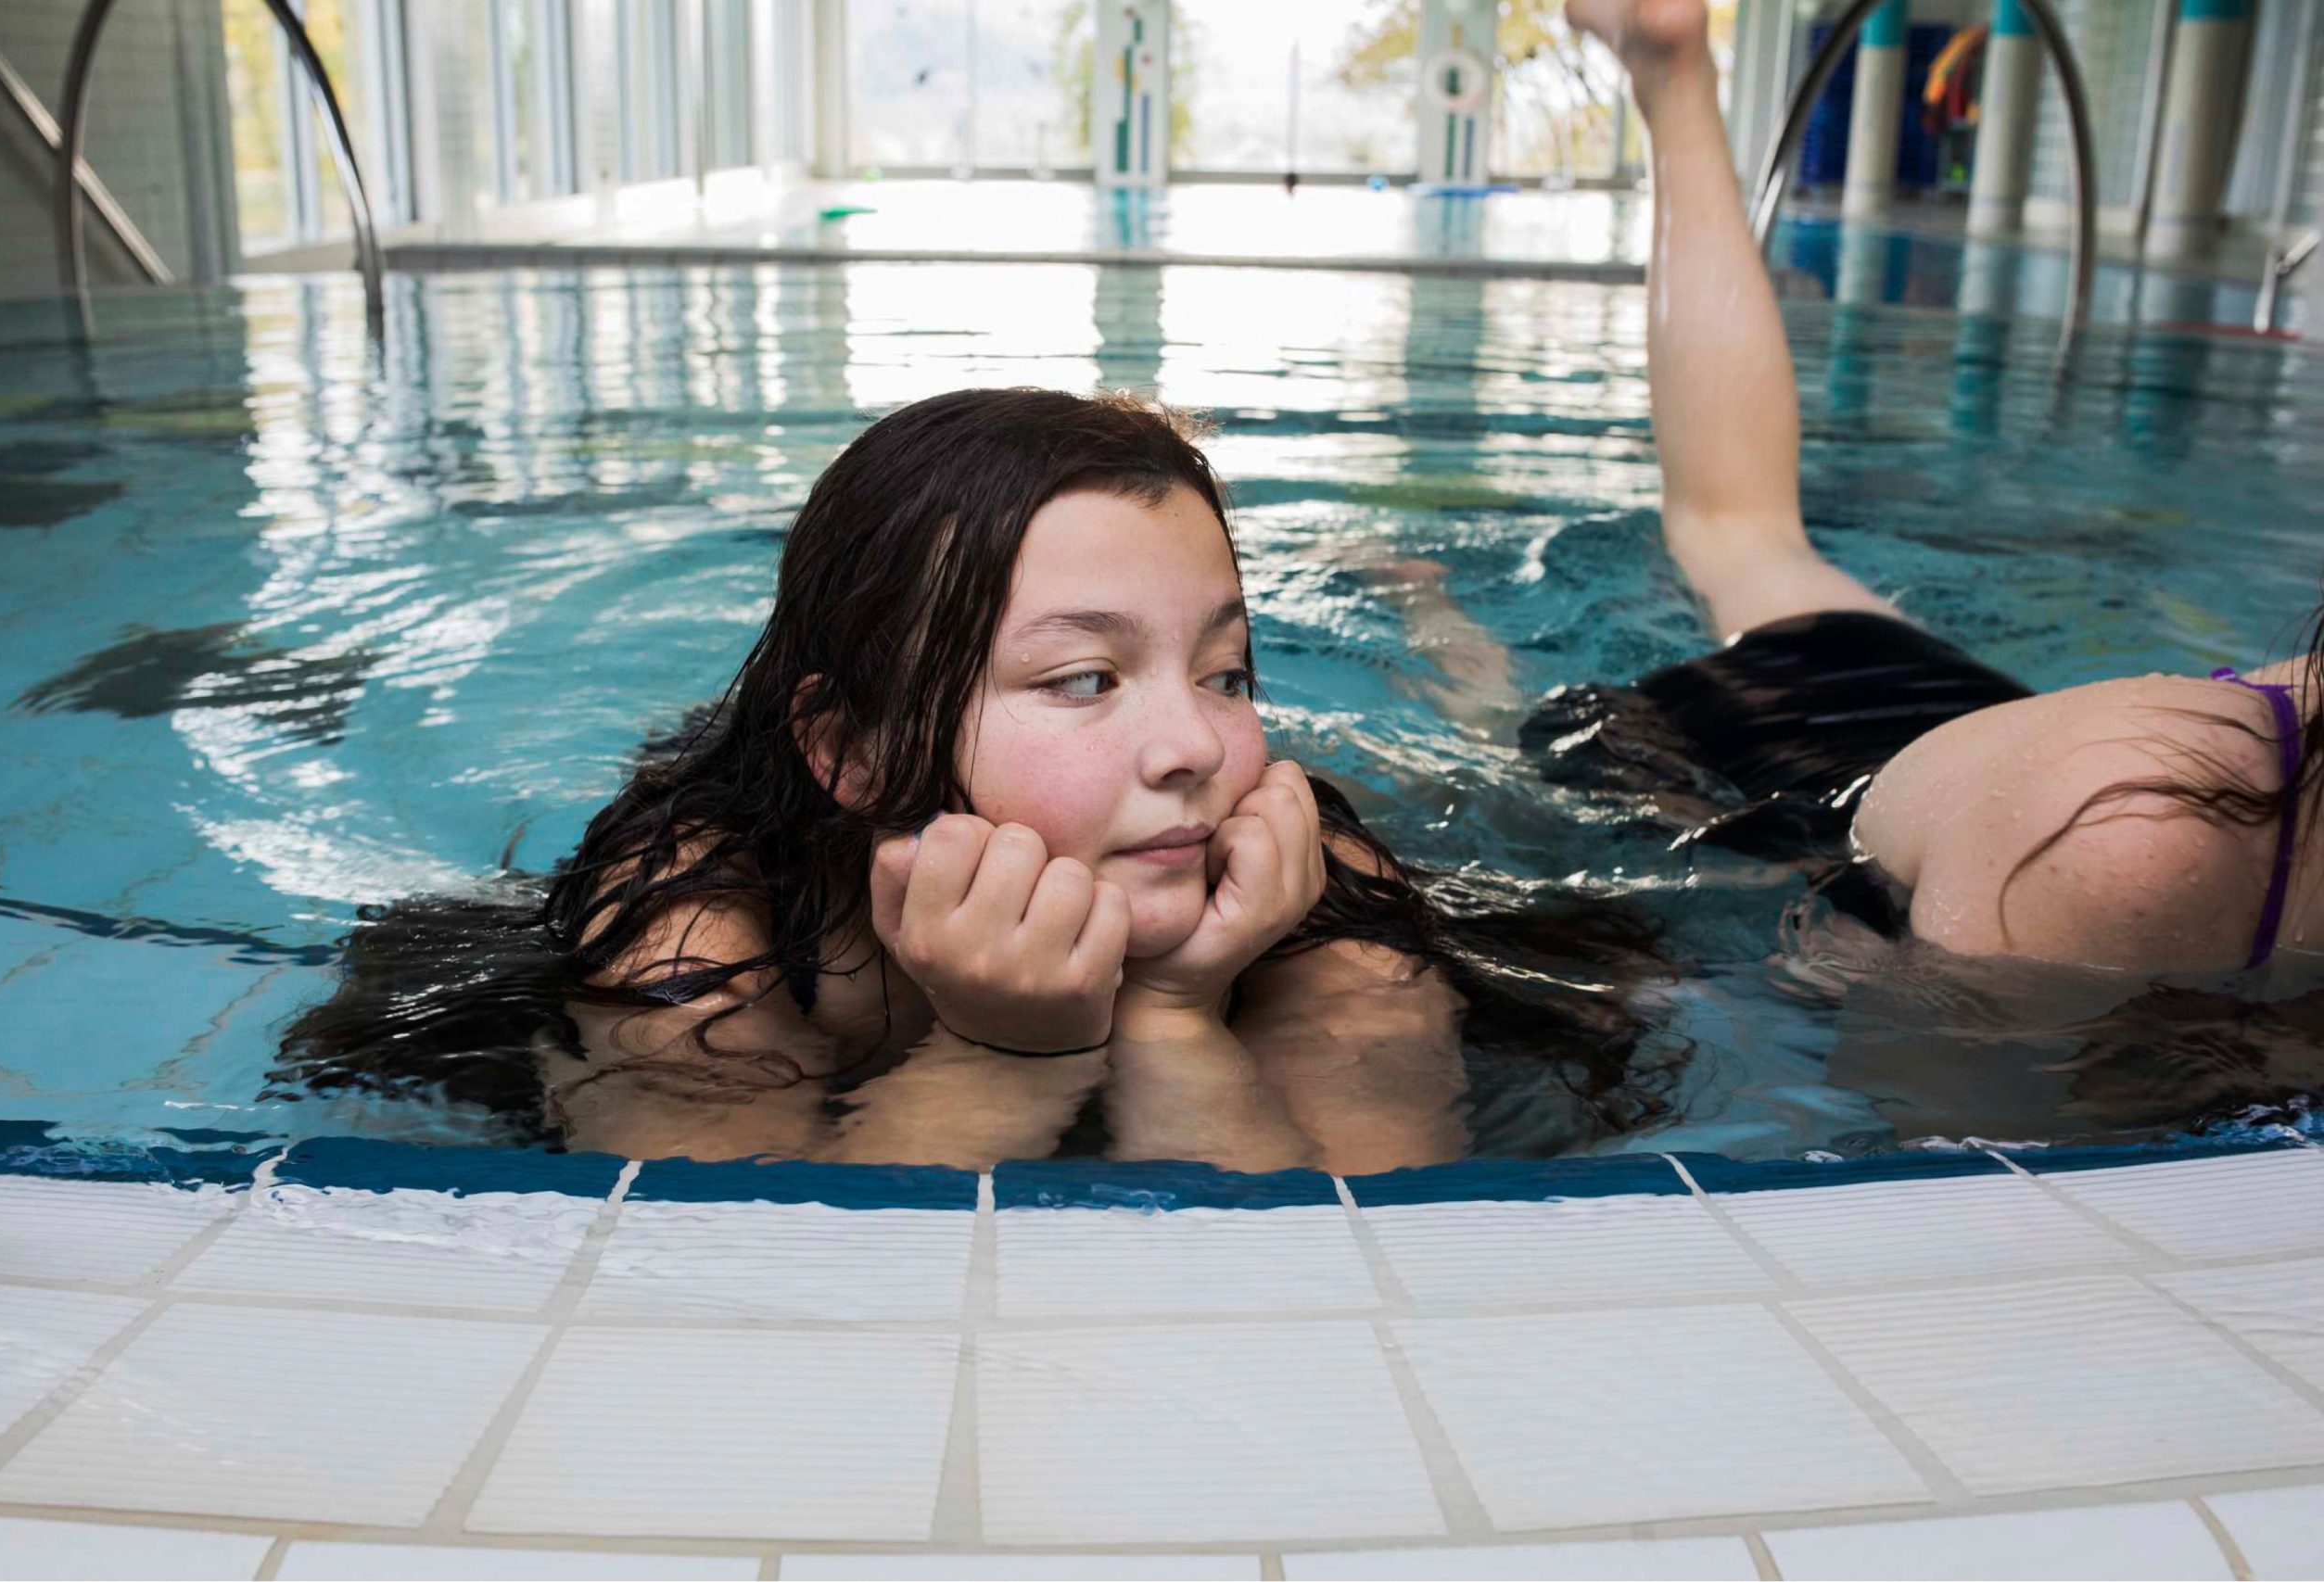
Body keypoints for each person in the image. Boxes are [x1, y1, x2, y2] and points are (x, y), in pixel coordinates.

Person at [276, 389, 1674, 1170]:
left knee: (1518, 787)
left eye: (1228, 672)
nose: (1195, 744)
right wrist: (1008, 1053)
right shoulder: (703, 928)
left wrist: (1175, 1014)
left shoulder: (1310, 886)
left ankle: (1449, 640)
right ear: (853, 749)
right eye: (1084, 679)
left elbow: (1359, 1259)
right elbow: (739, 1296)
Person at [1375, 0, 2321, 982]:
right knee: (1503, 737)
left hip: (1964, 722)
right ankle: (1423, 604)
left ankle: (1671, 79)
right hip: (1787, 776)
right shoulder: (2111, 862)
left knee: (1742, 530)